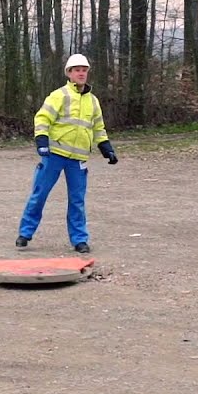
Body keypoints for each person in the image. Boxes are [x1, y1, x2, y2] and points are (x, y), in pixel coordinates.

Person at [16, 54, 117, 254]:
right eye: (77, 70)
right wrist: (42, 141)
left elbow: (98, 127)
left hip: (78, 159)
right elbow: (43, 118)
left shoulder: (93, 101)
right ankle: (25, 233)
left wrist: (106, 147)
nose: (81, 73)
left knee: (77, 200)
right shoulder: (59, 95)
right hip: (54, 154)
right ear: (69, 73)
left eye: (84, 70)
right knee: (40, 194)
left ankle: (79, 239)